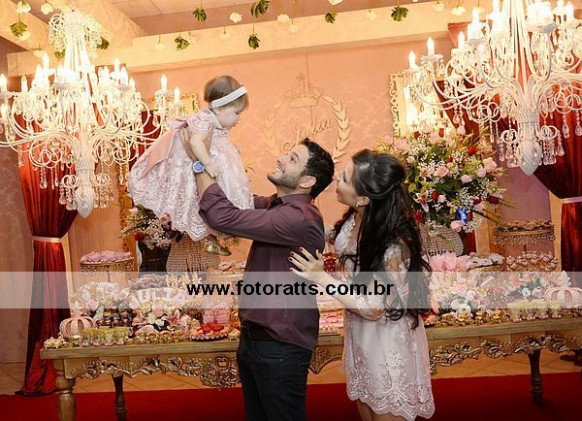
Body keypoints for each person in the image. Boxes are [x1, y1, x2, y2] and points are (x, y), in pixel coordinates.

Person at [182, 130, 335, 421]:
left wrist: (200, 162)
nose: (281, 158)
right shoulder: (278, 205)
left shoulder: (298, 218)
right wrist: (210, 155)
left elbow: (222, 217)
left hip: (280, 346)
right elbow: (233, 201)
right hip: (259, 339)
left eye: (292, 159)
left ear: (307, 181)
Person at [290, 150, 435, 421]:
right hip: (360, 338)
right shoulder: (357, 216)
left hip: (386, 343)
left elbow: (373, 308)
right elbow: (340, 239)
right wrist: (302, 211)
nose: (337, 179)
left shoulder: (393, 244)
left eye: (345, 178)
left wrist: (323, 279)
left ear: (364, 198)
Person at [128, 75, 253, 255]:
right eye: (237, 113)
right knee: (195, 200)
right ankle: (211, 237)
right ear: (219, 108)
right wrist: (208, 164)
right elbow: (195, 142)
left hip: (210, 161)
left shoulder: (218, 124)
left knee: (211, 199)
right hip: (191, 164)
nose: (239, 119)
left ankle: (214, 237)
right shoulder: (205, 118)